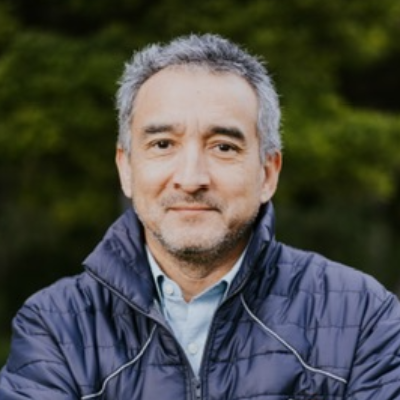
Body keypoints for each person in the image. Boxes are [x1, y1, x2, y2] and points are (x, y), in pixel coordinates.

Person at [1, 33, 400, 400]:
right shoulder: (56, 327)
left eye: (223, 147)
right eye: (163, 144)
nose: (191, 179)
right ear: (126, 168)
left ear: (268, 173)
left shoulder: (363, 317)